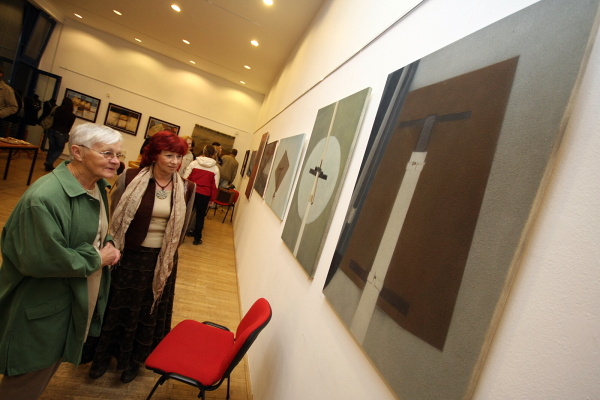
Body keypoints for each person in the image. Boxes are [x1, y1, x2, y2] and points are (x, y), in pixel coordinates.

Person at [0, 123, 123, 400]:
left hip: (70, 301)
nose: (115, 161)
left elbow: (95, 228)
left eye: (118, 154)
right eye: (107, 153)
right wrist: (98, 257)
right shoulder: (43, 198)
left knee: (45, 371)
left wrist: (109, 241)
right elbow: (38, 259)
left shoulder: (97, 187)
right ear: (77, 152)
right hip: (42, 307)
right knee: (25, 380)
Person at [88, 130, 195, 383]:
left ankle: (133, 361)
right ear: (155, 154)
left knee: (147, 311)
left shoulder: (187, 187)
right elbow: (114, 215)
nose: (175, 162)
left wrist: (167, 255)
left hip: (161, 261)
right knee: (116, 307)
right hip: (128, 256)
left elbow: (182, 228)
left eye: (179, 157)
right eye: (169, 155)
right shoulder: (130, 177)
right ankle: (102, 357)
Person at [183, 144, 219, 245]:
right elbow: (215, 186)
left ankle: (181, 235)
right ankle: (197, 239)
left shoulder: (194, 163)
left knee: (186, 214)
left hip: (192, 191)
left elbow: (185, 179)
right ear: (213, 154)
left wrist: (185, 192)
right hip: (205, 195)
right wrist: (212, 199)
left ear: (203, 152)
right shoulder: (215, 169)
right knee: (200, 217)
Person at [44, 96, 76, 171]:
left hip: (52, 130)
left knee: (52, 148)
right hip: (61, 133)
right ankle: (49, 163)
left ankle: (48, 164)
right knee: (59, 149)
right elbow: (69, 127)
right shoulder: (72, 115)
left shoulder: (57, 109)